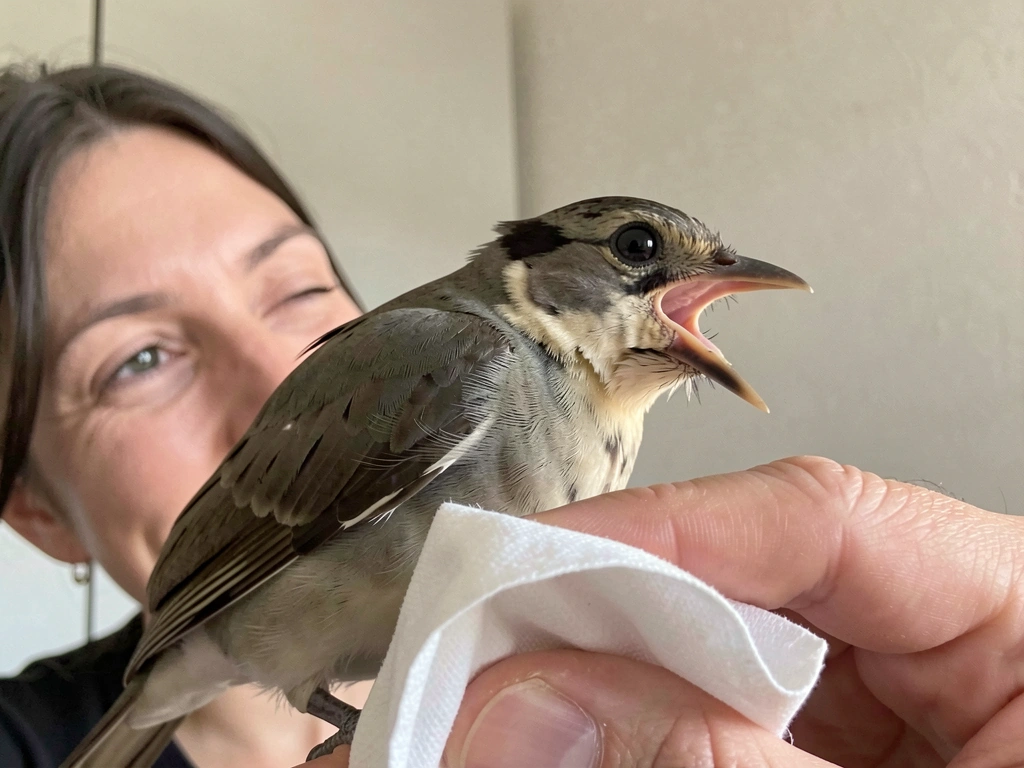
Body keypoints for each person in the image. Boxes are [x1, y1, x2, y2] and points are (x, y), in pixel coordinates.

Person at [0, 63, 1018, 768]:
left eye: (296, 289)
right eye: (136, 361)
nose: (271, 375)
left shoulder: (584, 422)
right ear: (31, 513)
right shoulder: (467, 367)